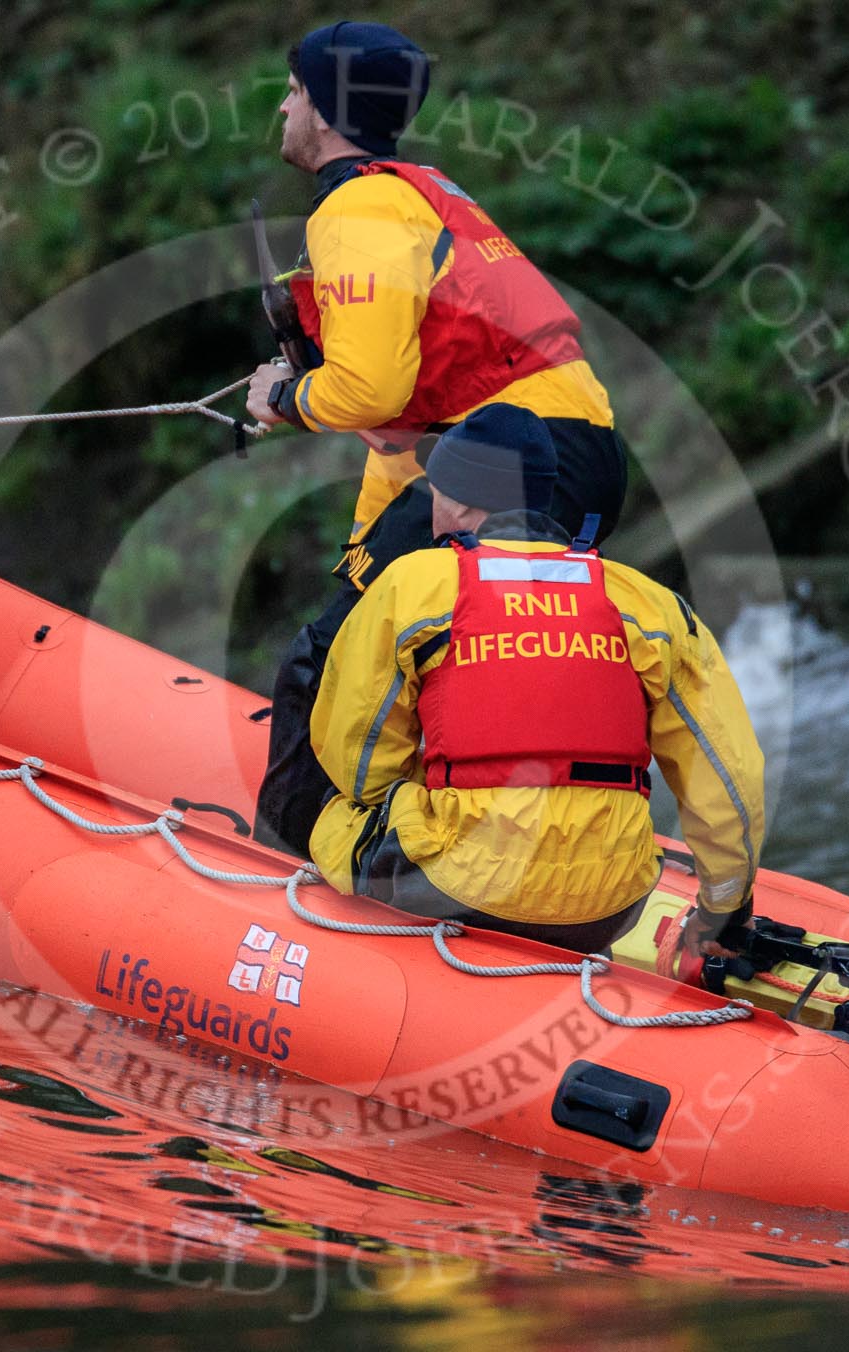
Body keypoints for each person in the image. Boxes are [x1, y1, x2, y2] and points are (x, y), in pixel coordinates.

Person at [244, 20, 636, 858]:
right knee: (479, 660)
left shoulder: (356, 209)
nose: (283, 106)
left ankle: (281, 871)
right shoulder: (422, 190)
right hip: (576, 452)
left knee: (327, 662)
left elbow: (369, 391)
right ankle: (495, 854)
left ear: (325, 110)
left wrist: (285, 396)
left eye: (294, 91)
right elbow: (403, 435)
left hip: (516, 457)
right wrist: (359, 558)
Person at [295, 404, 765, 956]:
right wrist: (723, 912)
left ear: (466, 501)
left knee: (340, 811)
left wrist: (432, 788)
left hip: (459, 885)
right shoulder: (647, 602)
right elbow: (729, 777)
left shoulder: (413, 584)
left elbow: (357, 758)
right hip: (610, 903)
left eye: (437, 493)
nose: (432, 512)